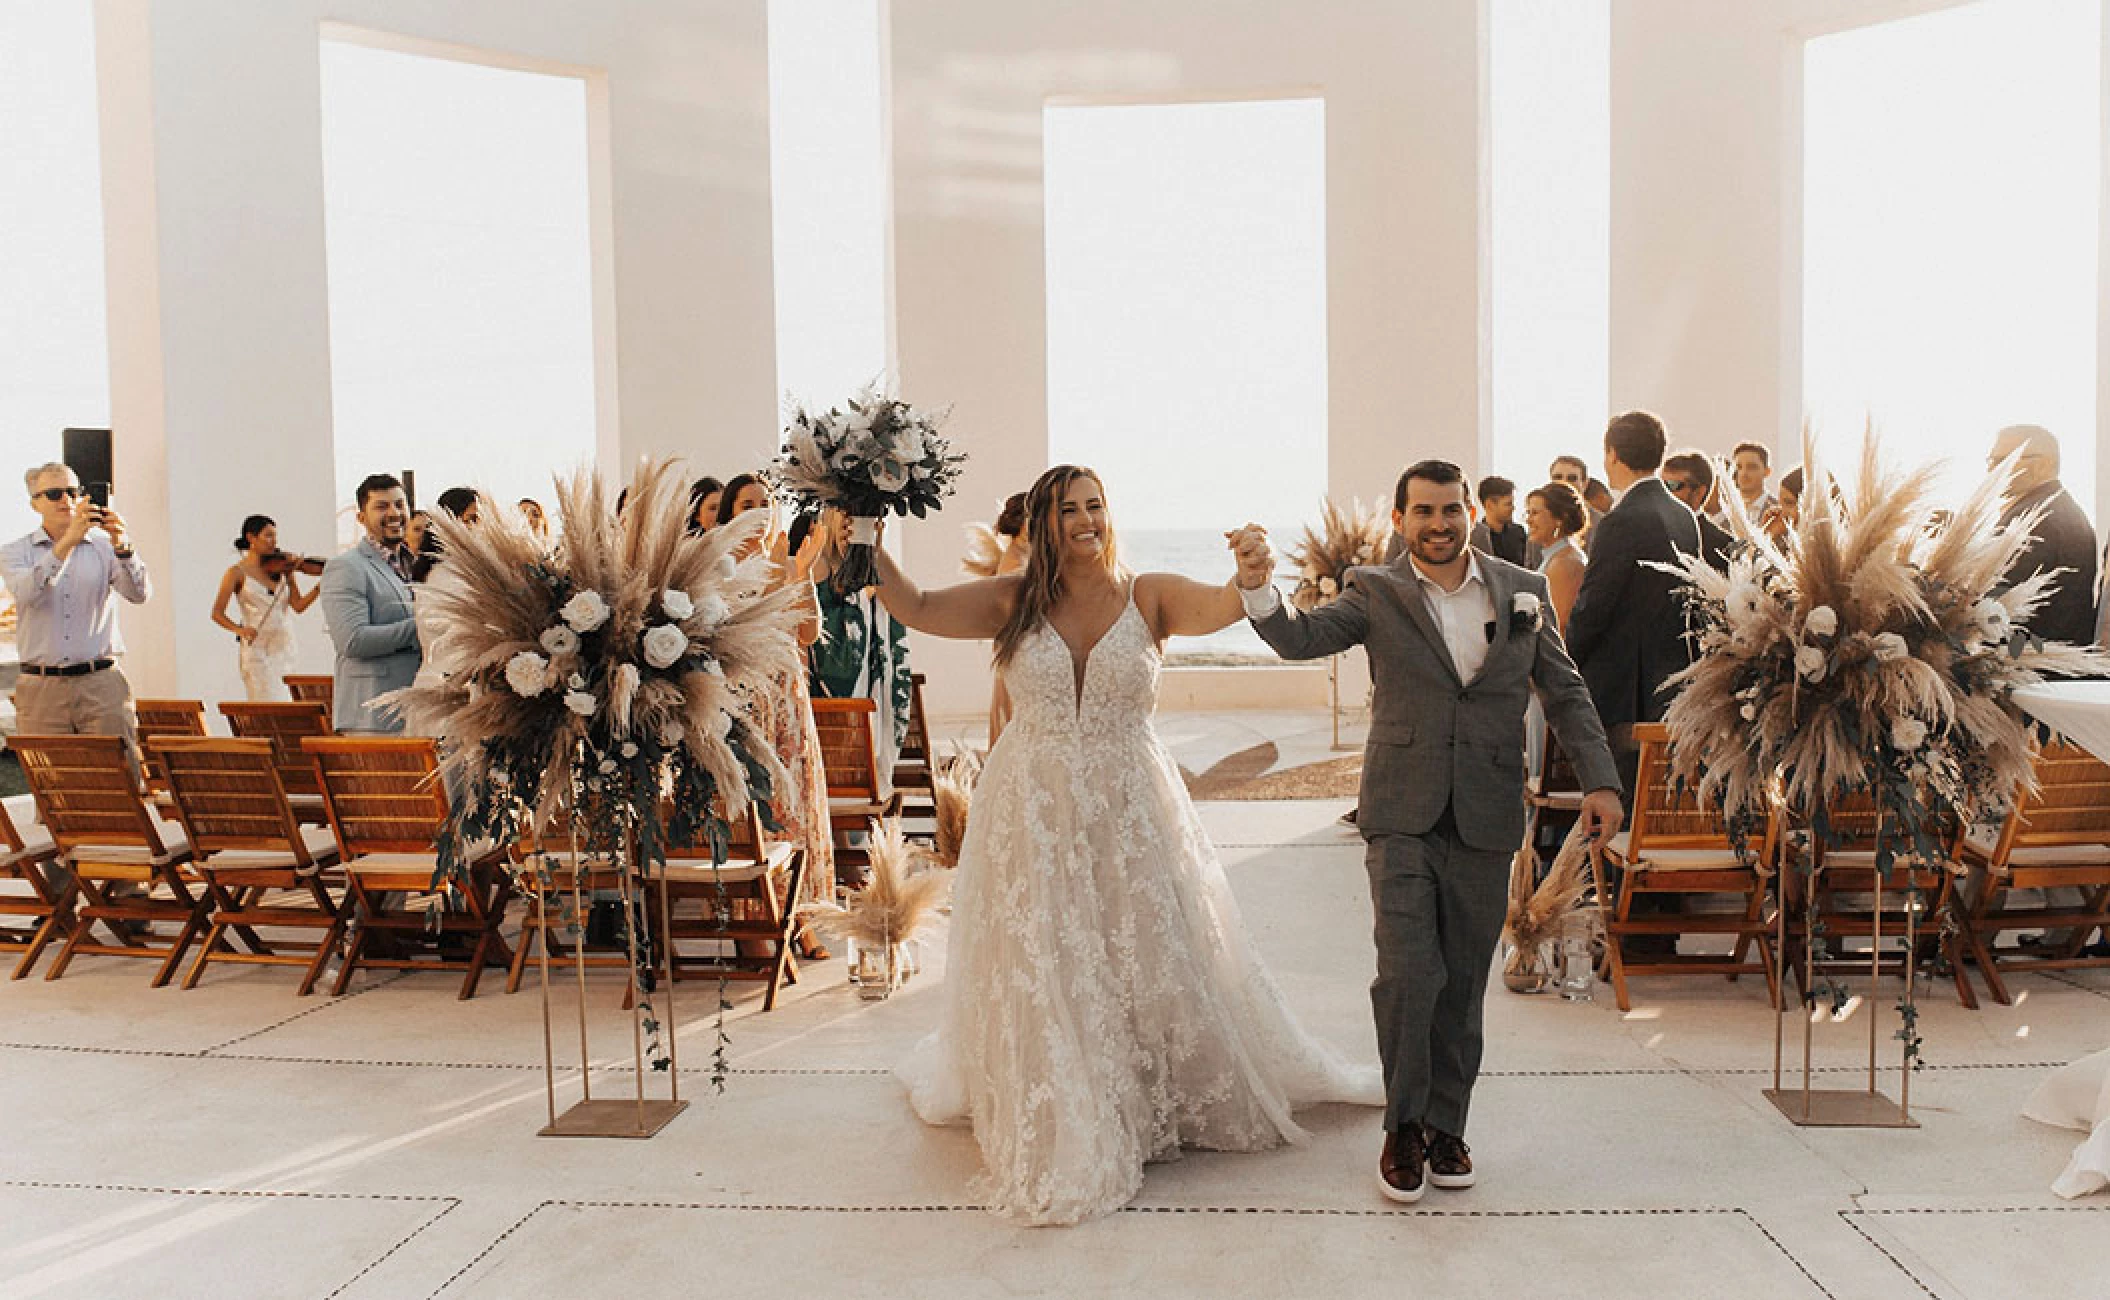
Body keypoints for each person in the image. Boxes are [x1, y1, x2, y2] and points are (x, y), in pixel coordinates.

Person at [881, 464, 1381, 1225]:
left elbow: (1224, 605)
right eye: (1069, 510)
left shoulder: (1147, 594)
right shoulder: (1014, 601)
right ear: (1043, 524)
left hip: (1131, 804)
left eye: (1096, 506)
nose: (1086, 520)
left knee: (1139, 943)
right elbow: (913, 604)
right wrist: (861, 526)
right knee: (1048, 951)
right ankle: (1069, 1094)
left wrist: (1250, 573)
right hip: (1032, 808)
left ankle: (1149, 1088)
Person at [1233, 460, 1621, 1206]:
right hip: (1402, 812)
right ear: (1401, 520)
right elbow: (1299, 637)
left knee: (1463, 982)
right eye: (1422, 513)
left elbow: (1564, 689)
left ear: (1470, 510)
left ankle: (1449, 1126)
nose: (1438, 525)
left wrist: (1600, 781)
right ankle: (1404, 1126)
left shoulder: (1524, 590)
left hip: (1484, 811)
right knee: (1409, 973)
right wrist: (1258, 586)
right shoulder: (1374, 591)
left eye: (1450, 510)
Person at [1564, 411, 1702, 791]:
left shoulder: (1620, 520)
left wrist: (1561, 662)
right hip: (1672, 682)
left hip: (1624, 690)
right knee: (1656, 806)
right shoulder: (1684, 515)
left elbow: (1594, 608)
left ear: (1611, 455)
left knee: (1618, 806)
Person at [2, 462, 150, 745]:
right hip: (42, 687)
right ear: (35, 504)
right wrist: (67, 543)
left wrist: (123, 546)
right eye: (55, 494)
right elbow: (26, 592)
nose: (67, 501)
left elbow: (139, 594)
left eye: (73, 491)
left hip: (101, 683)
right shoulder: (14, 552)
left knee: (117, 781)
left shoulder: (104, 547)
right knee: (51, 778)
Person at [805, 508, 913, 783]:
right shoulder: (816, 570)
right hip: (822, 719)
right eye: (843, 513)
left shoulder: (877, 580)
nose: (849, 523)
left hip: (869, 712)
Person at [321, 474, 420, 733]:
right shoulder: (347, 567)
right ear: (361, 517)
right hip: (372, 719)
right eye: (381, 506)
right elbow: (352, 640)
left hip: (417, 712)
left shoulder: (417, 564)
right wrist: (422, 625)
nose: (394, 513)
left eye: (400, 504)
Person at [1991, 424, 2097, 646]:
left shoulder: (2037, 517)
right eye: (1990, 461)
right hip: (2048, 653)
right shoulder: (2059, 507)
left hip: (2031, 658)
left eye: (2002, 461)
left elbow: (1999, 600)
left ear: (2043, 464)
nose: (1991, 469)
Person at [209, 515, 319, 700]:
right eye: (268, 536)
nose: (274, 542)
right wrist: (240, 629)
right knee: (264, 699)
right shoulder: (236, 573)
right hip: (257, 648)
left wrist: (319, 587)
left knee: (287, 700)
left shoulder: (283, 568)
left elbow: (298, 606)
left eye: (275, 536)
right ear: (251, 538)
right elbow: (217, 613)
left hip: (284, 646)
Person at [1522, 481, 1588, 632]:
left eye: (1535, 513)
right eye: (1528, 512)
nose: (1528, 520)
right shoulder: (1558, 556)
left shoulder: (1565, 563)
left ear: (1560, 519)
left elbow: (1559, 625)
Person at [1660, 451, 1736, 569]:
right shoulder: (1648, 532)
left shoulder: (1723, 547)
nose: (1664, 492)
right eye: (1660, 485)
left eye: (1672, 485)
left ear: (1698, 492)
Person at [1468, 476, 1540, 569]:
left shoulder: (1519, 532)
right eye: (1508, 504)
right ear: (1489, 505)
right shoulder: (1473, 537)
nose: (1513, 508)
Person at [1722, 441, 1774, 527]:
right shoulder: (1725, 511)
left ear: (1767, 472)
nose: (1743, 473)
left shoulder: (1778, 511)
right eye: (1738, 467)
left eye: (1752, 467)